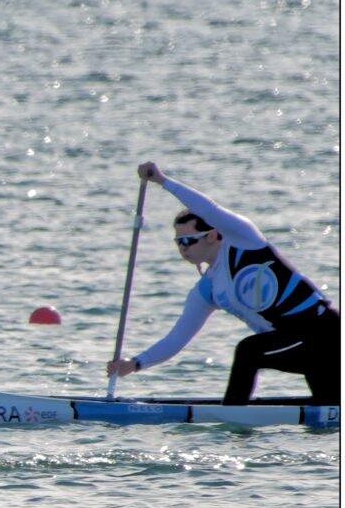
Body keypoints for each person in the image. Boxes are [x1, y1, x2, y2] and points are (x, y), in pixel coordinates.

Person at [106, 162, 338, 404]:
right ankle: (237, 418)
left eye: (188, 240)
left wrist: (163, 181)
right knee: (327, 411)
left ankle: (233, 424)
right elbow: (177, 338)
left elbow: (209, 209)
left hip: (326, 335)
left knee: (249, 351)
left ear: (213, 235)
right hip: (295, 347)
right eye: (178, 242)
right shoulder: (207, 290)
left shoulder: (245, 240)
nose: (183, 248)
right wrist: (133, 364)